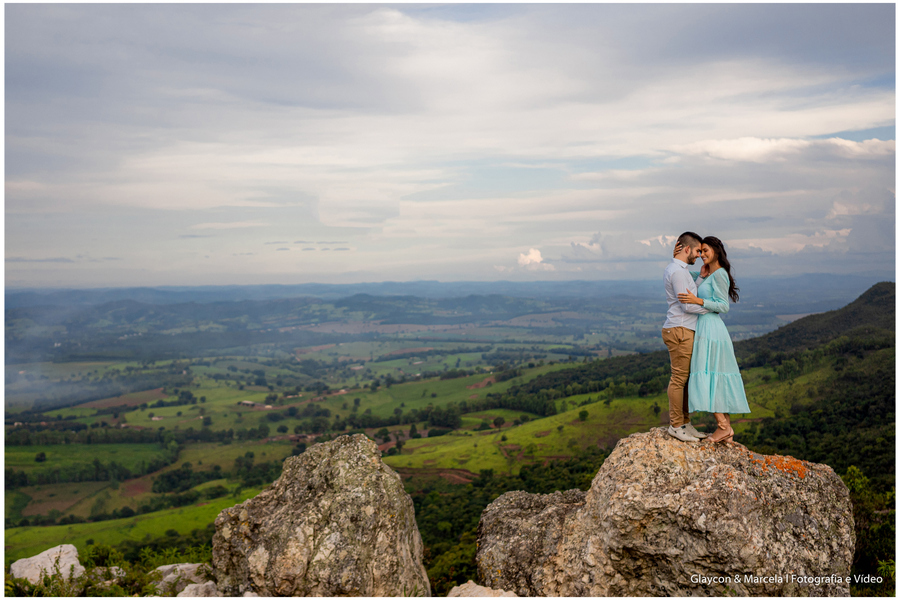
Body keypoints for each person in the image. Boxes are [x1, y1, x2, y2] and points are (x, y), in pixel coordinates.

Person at [676, 236, 750, 443]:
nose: (702, 255)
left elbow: (723, 306)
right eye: (699, 252)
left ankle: (723, 427)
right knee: (713, 376)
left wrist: (697, 300)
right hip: (704, 328)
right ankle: (726, 429)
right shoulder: (708, 273)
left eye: (705, 250)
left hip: (711, 328)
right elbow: (683, 277)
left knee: (711, 376)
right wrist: (696, 274)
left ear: (716, 251)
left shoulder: (720, 275)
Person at [661, 232, 709, 442]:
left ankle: (684, 423)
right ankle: (676, 425)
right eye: (698, 250)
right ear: (687, 249)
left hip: (683, 328)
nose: (699, 255)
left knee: (686, 379)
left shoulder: (680, 270)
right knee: (679, 379)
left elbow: (690, 293)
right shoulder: (678, 272)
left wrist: (700, 277)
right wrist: (710, 308)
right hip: (680, 329)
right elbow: (687, 304)